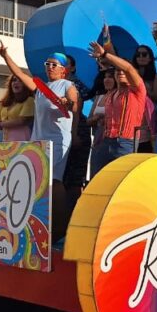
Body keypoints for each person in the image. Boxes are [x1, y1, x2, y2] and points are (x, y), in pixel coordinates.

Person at [0, 42, 78, 182]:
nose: (50, 67)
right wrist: (5, 56)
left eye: (54, 65)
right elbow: (19, 74)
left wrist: (67, 102)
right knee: (36, 179)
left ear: (63, 69)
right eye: (48, 64)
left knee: (53, 180)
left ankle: (59, 205)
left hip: (57, 141)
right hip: (38, 140)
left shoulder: (67, 85)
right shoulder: (40, 87)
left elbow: (74, 105)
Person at [88, 40, 147, 174]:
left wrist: (104, 54)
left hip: (125, 143)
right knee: (97, 182)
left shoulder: (137, 91)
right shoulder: (110, 94)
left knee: (121, 183)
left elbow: (128, 68)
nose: (121, 72)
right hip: (104, 142)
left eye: (123, 71)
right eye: (117, 70)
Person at [61, 53, 93, 204]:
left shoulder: (75, 85)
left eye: (64, 63)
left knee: (74, 177)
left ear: (72, 68)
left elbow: (76, 110)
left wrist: (74, 134)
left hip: (77, 128)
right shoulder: (53, 85)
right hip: (60, 131)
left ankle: (71, 213)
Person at [0, 74, 34, 141]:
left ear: (26, 84)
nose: (16, 82)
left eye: (20, 81)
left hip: (22, 141)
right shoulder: (4, 103)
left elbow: (22, 121)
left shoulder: (29, 100)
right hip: (6, 141)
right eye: (14, 80)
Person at [87, 69, 117, 173]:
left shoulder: (119, 97)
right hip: (98, 139)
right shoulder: (99, 97)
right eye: (105, 77)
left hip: (113, 140)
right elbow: (88, 120)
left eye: (110, 77)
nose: (106, 80)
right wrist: (95, 118)